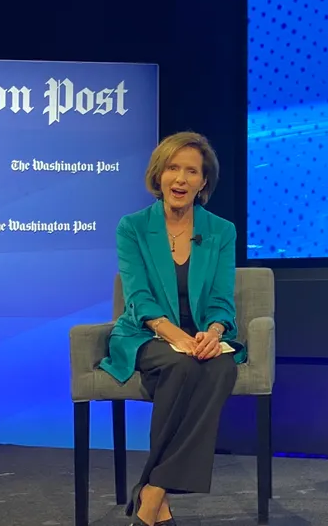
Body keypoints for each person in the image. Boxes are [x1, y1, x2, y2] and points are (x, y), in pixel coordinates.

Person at [98, 131, 244, 526]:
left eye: (191, 171)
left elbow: (220, 298)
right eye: (172, 168)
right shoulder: (132, 227)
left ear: (204, 182)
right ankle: (154, 496)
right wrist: (172, 334)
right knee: (181, 367)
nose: (180, 179)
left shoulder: (220, 231)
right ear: (158, 175)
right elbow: (138, 297)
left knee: (221, 367)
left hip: (199, 337)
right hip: (146, 335)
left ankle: (153, 491)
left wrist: (213, 332)